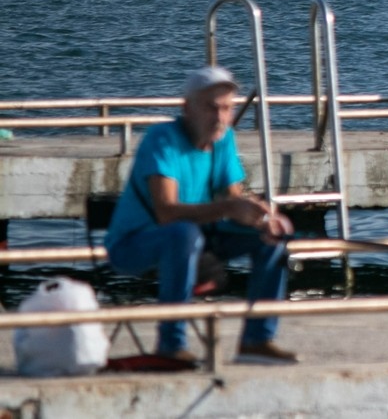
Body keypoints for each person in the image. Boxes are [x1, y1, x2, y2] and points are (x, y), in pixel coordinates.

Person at [103, 66, 298, 366]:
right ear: (187, 108)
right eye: (211, 108)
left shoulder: (224, 139)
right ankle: (171, 345)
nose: (220, 117)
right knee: (183, 234)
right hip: (134, 245)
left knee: (272, 239)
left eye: (226, 108)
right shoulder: (162, 140)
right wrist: (228, 209)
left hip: (198, 239)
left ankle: (257, 341)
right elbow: (167, 212)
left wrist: (259, 216)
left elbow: (232, 198)